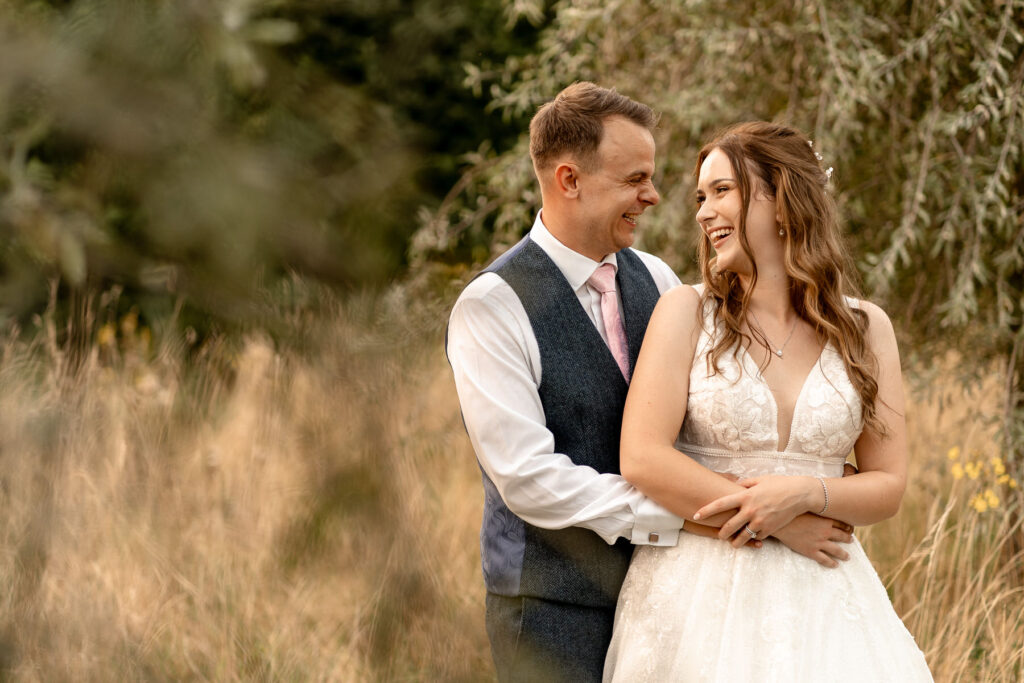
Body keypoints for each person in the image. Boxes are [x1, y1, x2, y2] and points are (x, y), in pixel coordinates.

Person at [448, 85, 857, 682]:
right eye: (635, 179)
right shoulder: (493, 305)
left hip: (675, 594)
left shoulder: (660, 282)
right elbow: (530, 480)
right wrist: (724, 517)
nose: (654, 196)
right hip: (551, 610)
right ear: (570, 180)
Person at [603, 122, 932, 681]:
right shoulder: (686, 312)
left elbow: (887, 485)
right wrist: (774, 521)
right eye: (701, 198)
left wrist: (808, 492)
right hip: (699, 594)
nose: (704, 212)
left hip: (828, 599)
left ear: (782, 200)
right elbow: (641, 457)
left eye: (723, 191)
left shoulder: (865, 327)